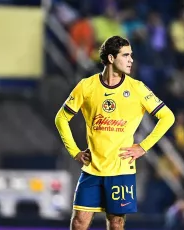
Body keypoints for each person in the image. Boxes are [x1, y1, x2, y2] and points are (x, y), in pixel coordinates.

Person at [55, 35, 175, 230]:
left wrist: (143, 147)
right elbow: (61, 118)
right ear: (111, 58)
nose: (131, 60)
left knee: (116, 223)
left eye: (131, 55)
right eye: (126, 55)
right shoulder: (87, 86)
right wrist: (75, 151)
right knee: (79, 222)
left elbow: (167, 117)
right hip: (92, 169)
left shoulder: (137, 88)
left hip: (121, 170)